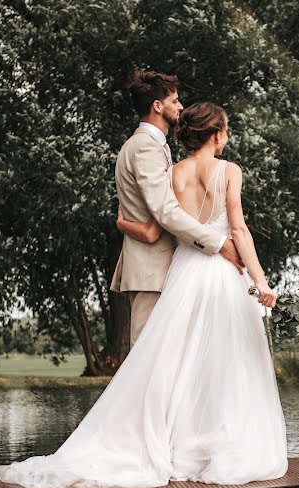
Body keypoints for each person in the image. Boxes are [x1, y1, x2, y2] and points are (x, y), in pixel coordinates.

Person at [0, 99, 288, 488]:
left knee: (175, 361)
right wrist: (261, 280)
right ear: (216, 134)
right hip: (222, 274)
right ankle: (216, 444)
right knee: (224, 362)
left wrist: (123, 221)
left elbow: (159, 225)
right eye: (226, 129)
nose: (227, 136)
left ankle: (173, 444)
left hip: (183, 272)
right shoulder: (229, 170)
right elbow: (239, 231)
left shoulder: (173, 173)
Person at [108, 69, 245, 346]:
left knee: (163, 362)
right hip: (151, 271)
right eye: (175, 101)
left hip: (160, 269)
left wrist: (124, 224)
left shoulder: (153, 146)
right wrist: (219, 243)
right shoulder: (145, 147)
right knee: (147, 361)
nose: (181, 107)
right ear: (157, 106)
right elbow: (166, 211)